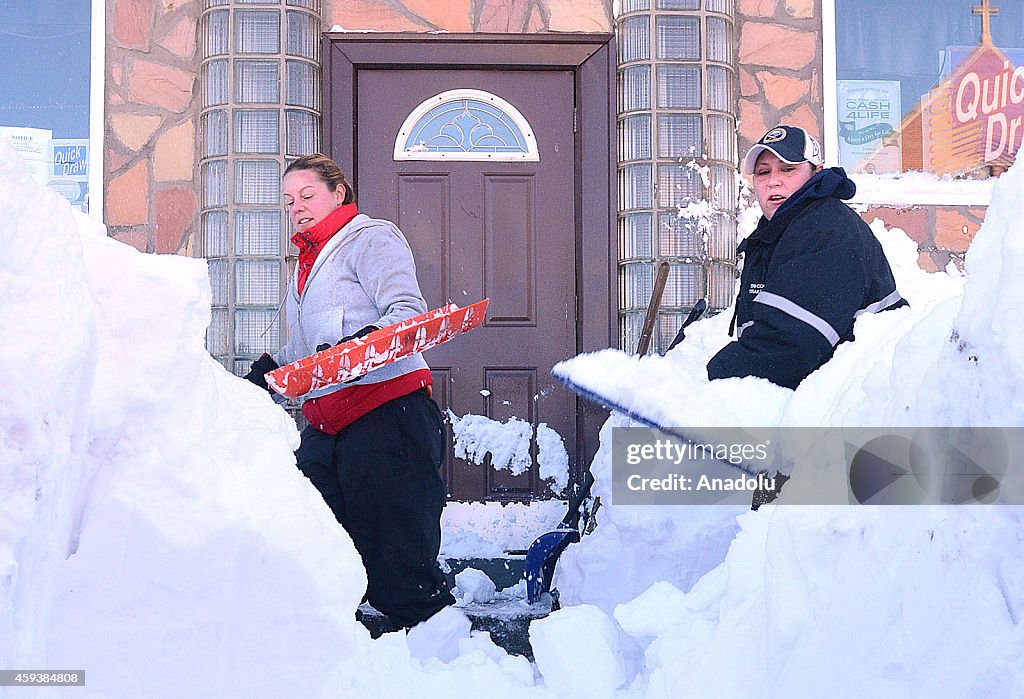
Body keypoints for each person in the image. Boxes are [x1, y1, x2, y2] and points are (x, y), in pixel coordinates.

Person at [243, 153, 455, 630]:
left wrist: (359, 342)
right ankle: (342, 649)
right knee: (318, 533)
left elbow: (407, 309)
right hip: (326, 423)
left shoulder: (371, 238)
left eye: (307, 195)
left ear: (339, 192)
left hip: (386, 413)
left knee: (396, 550)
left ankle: (435, 650)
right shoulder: (307, 263)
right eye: (288, 200)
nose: (296, 207)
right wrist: (265, 376)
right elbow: (304, 348)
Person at [706, 125, 907, 390]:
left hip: (855, 407)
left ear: (817, 172)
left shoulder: (827, 228)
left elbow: (787, 348)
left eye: (788, 169)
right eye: (763, 172)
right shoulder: (775, 236)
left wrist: (709, 382)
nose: (773, 181)